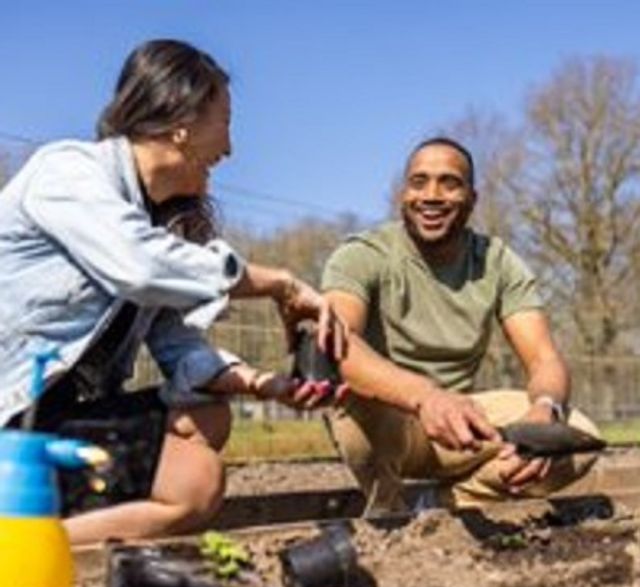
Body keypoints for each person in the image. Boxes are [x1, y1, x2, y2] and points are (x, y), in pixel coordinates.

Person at [0, 39, 347, 545]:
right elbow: (137, 266)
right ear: (181, 124)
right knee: (195, 469)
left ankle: (33, 538)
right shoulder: (68, 173)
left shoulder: (157, 230)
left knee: (205, 424)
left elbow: (180, 348)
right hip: (12, 416)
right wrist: (279, 282)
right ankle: (22, 543)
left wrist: (268, 385)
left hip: (59, 423)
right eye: (224, 122)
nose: (228, 149)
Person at [321, 136, 600, 514]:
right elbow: (341, 347)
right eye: (418, 182)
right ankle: (387, 509)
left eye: (449, 183)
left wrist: (545, 410)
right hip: (391, 422)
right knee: (354, 395)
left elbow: (543, 358)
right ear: (403, 194)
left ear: (472, 197)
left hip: (466, 423)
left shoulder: (498, 263)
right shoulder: (362, 255)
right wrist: (426, 396)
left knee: (576, 437)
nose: (431, 195)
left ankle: (441, 503)